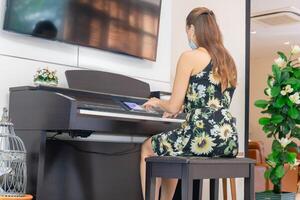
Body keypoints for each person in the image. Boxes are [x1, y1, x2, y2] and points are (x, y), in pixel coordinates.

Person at [140, 7, 239, 200]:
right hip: (228, 139)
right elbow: (214, 102)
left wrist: (158, 102)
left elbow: (173, 106)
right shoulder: (228, 61)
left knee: (148, 147)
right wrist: (187, 107)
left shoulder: (189, 57)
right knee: (171, 150)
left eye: (187, 31)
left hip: (202, 136)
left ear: (192, 29)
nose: (188, 35)